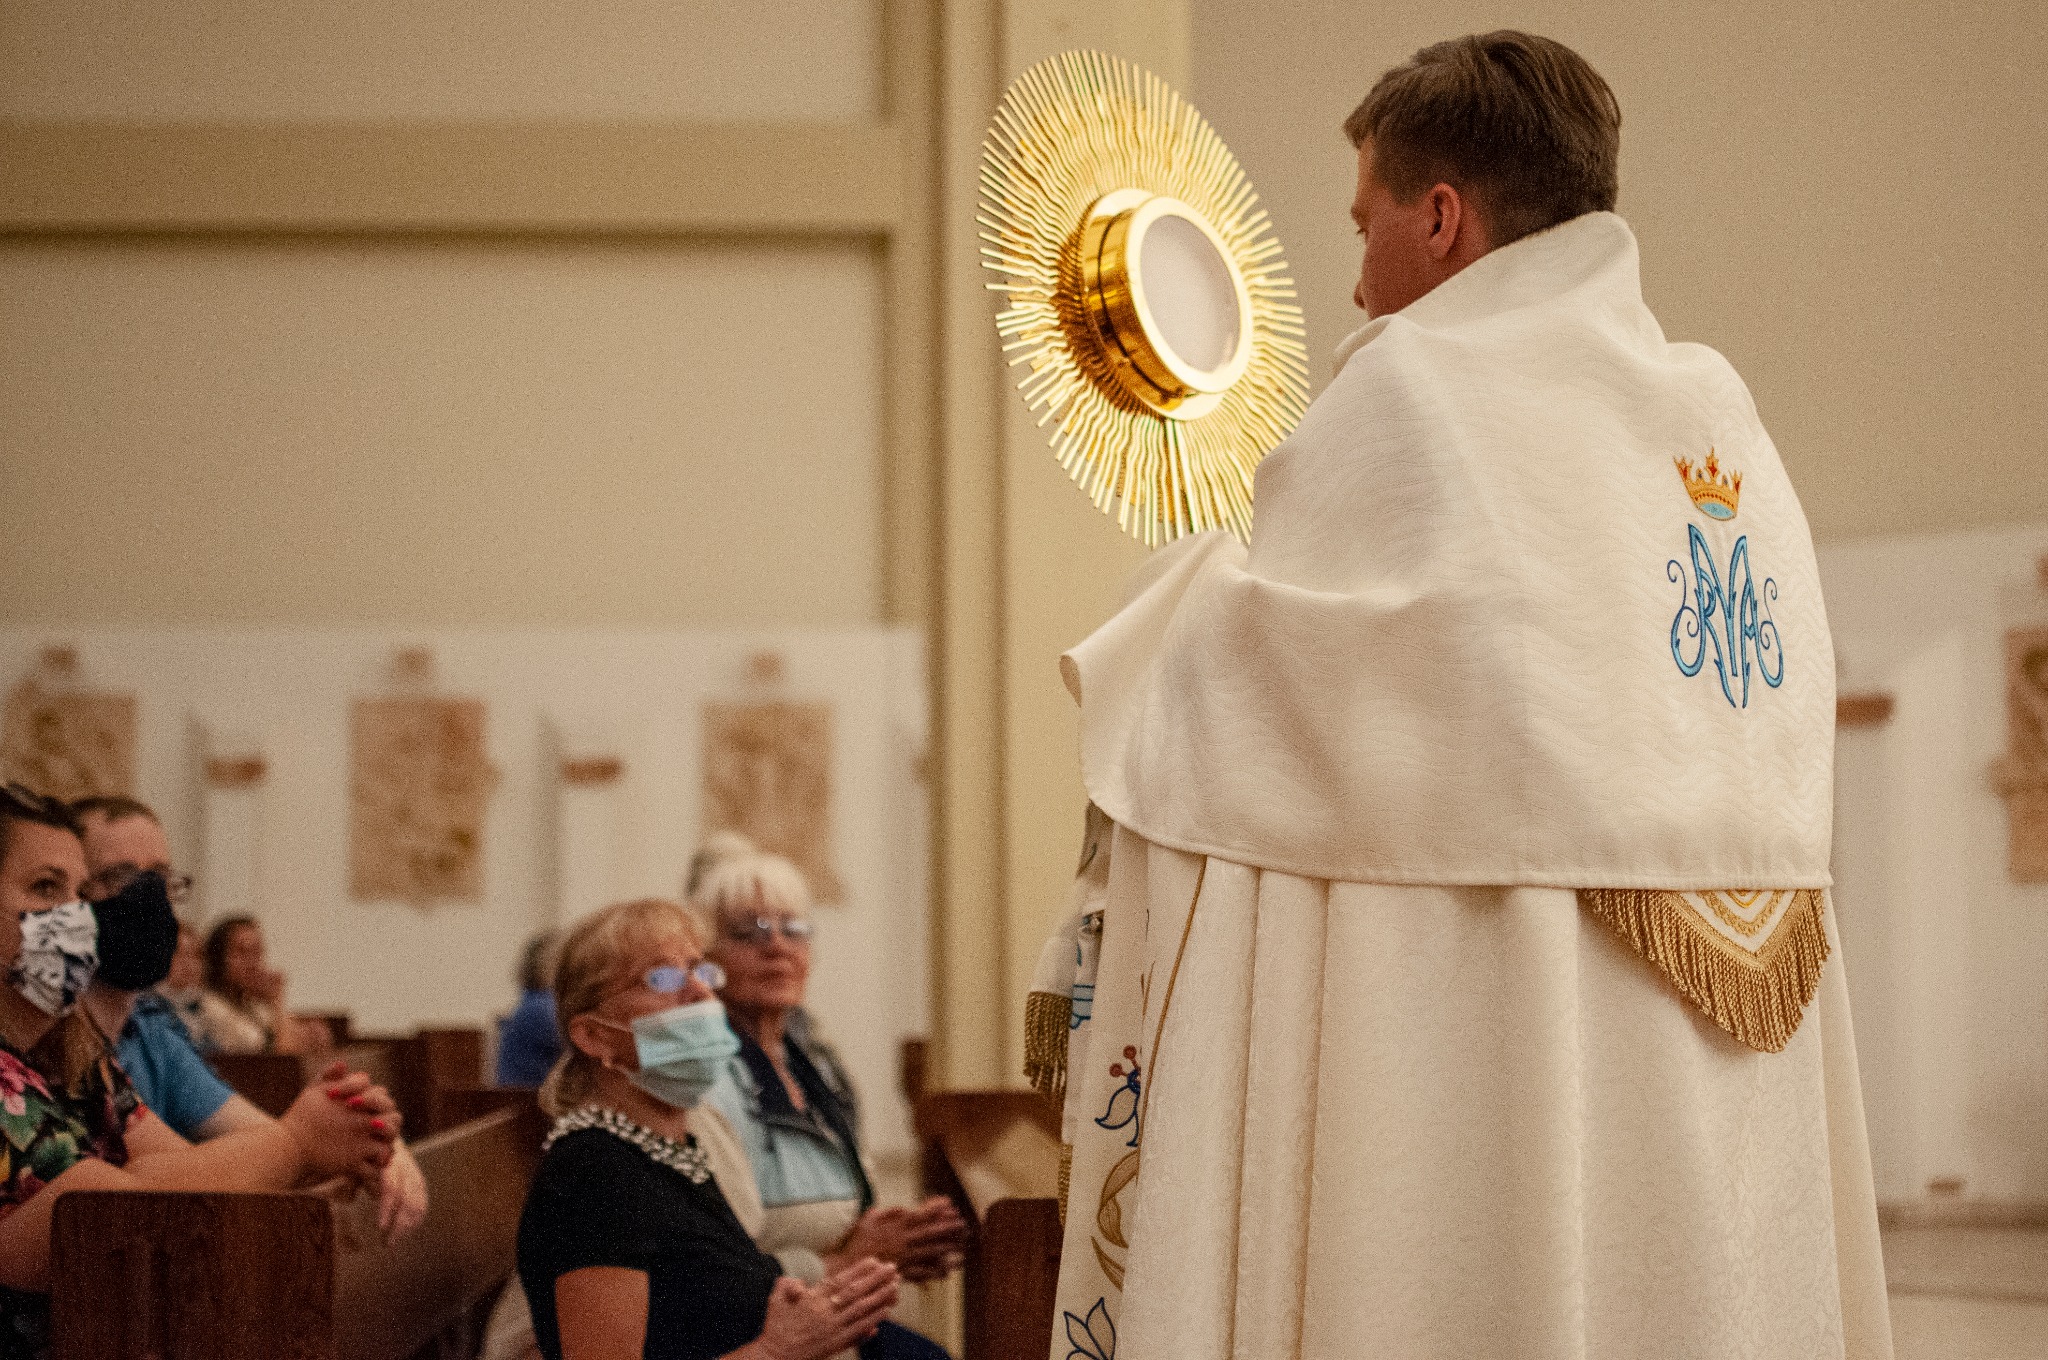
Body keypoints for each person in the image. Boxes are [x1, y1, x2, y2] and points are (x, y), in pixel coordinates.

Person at [1031, 32, 1891, 1360]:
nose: (1359, 279)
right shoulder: (1711, 411)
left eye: (1363, 222)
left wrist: (1163, 621)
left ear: (1441, 218)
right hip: (1718, 1050)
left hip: (1474, 1009)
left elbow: (1291, 707)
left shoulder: (1416, 388)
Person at [0, 785, 396, 1359]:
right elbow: (111, 1218)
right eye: (44, 888)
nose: (76, 915)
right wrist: (296, 1144)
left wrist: (329, 1145)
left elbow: (167, 1165)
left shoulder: (74, 1054)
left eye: (80, 892)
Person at [516, 897, 901, 1360]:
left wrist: (821, 1303)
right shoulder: (593, 1174)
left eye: (702, 971)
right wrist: (776, 1349)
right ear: (595, 1036)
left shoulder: (677, 1148)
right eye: (663, 978)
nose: (699, 992)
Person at [69, 794, 427, 1241]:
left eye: (160, 879)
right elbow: (137, 1197)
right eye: (119, 877)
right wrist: (303, 1144)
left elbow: (245, 1148)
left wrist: (374, 1145)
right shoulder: (52, 1044)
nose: (148, 897)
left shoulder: (151, 1030)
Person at [694, 852, 964, 1311]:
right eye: (748, 932)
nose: (777, 946)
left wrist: (903, 1237)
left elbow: (840, 1206)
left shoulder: (814, 1062)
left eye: (793, 929)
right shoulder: (702, 1075)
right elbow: (709, 1263)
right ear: (706, 960)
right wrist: (854, 1257)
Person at [192, 914, 327, 1055]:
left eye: (257, 952)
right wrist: (276, 1000)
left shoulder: (252, 1004)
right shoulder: (210, 1006)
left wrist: (311, 1035)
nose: (252, 963)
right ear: (219, 958)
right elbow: (281, 1060)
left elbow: (295, 1040)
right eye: (242, 952)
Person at [496, 930, 563, 1088]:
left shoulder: (534, 1002)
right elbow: (582, 1044)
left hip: (532, 1097)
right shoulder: (539, 1007)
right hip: (527, 1101)